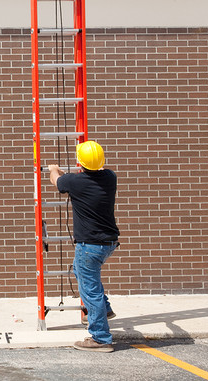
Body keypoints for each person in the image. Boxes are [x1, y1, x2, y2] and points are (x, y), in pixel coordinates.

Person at [48, 140, 120, 353]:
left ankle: (100, 338)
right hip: (108, 242)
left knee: (90, 290)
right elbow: (80, 177)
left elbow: (57, 182)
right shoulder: (110, 177)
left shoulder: (75, 182)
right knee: (82, 273)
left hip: (89, 245)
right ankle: (104, 310)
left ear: (80, 162)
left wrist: (54, 169)